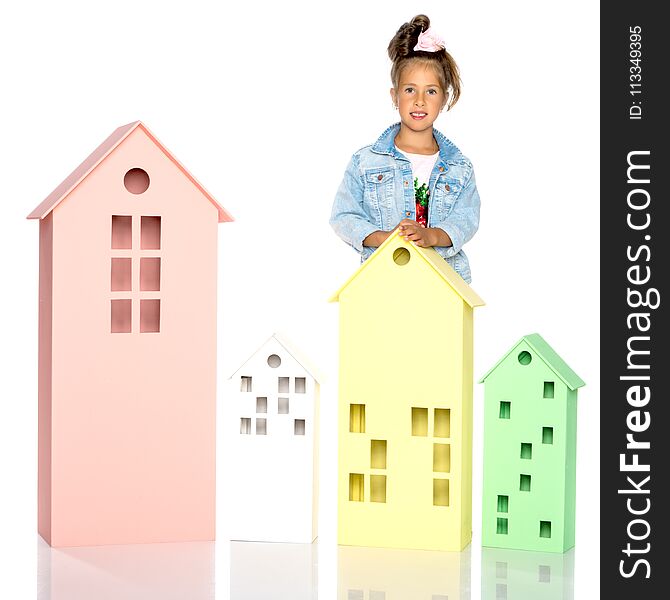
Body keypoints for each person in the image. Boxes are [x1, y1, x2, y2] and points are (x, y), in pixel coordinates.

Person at [330, 14, 480, 283]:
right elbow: (344, 216)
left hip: (444, 281)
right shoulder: (365, 162)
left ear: (444, 98)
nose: (420, 101)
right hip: (385, 279)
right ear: (394, 96)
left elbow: (466, 220)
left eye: (431, 91)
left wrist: (431, 235)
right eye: (410, 90)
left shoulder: (460, 167)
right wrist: (386, 240)